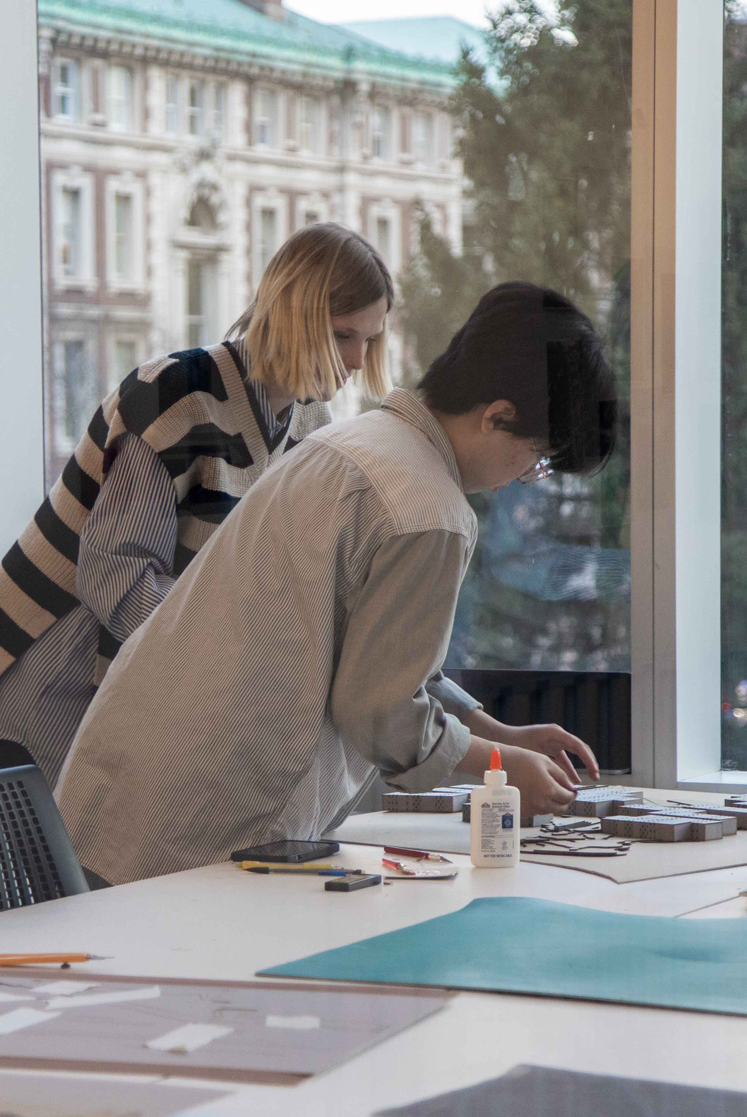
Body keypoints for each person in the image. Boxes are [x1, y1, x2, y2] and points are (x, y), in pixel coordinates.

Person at [57, 282, 619, 885]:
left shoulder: (354, 443)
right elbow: (380, 711)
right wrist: (502, 767)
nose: (524, 480)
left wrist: (498, 734)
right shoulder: (429, 512)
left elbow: (379, 663)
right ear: (496, 417)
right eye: (536, 460)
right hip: (198, 820)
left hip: (128, 777)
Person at [0, 222, 463, 783]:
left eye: (371, 339)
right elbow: (118, 580)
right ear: (293, 316)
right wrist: (237, 657)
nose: (358, 359)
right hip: (38, 680)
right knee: (64, 871)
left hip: (112, 686)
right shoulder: (174, 396)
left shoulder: (309, 424)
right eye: (342, 336)